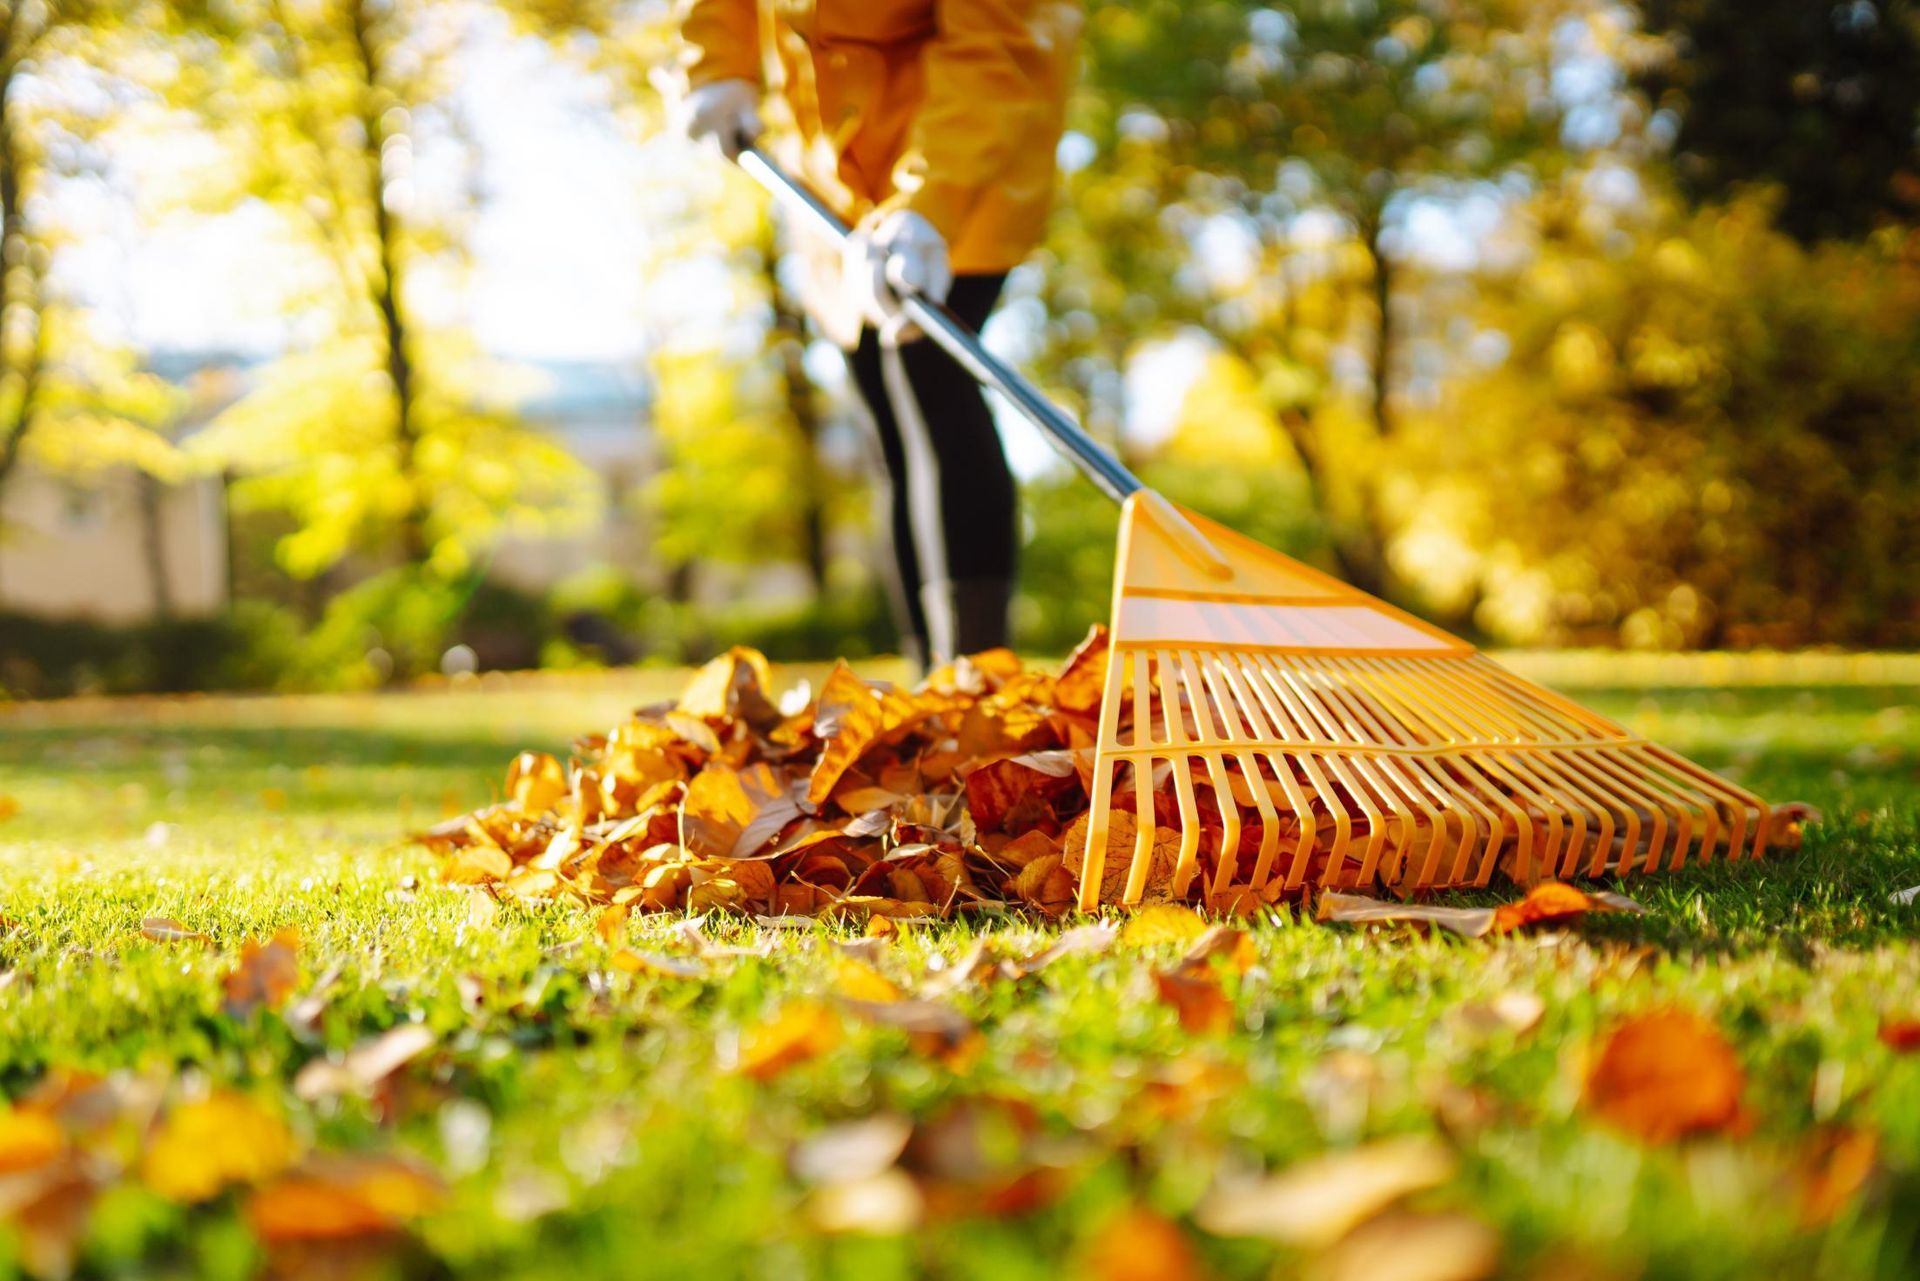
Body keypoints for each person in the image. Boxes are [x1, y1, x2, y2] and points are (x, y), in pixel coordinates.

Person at [674, 0, 1081, 670]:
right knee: (881, 408)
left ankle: (974, 679)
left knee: (927, 375)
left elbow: (995, 51)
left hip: (965, 139)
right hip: (832, 163)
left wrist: (928, 204)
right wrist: (718, 64)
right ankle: (932, 681)